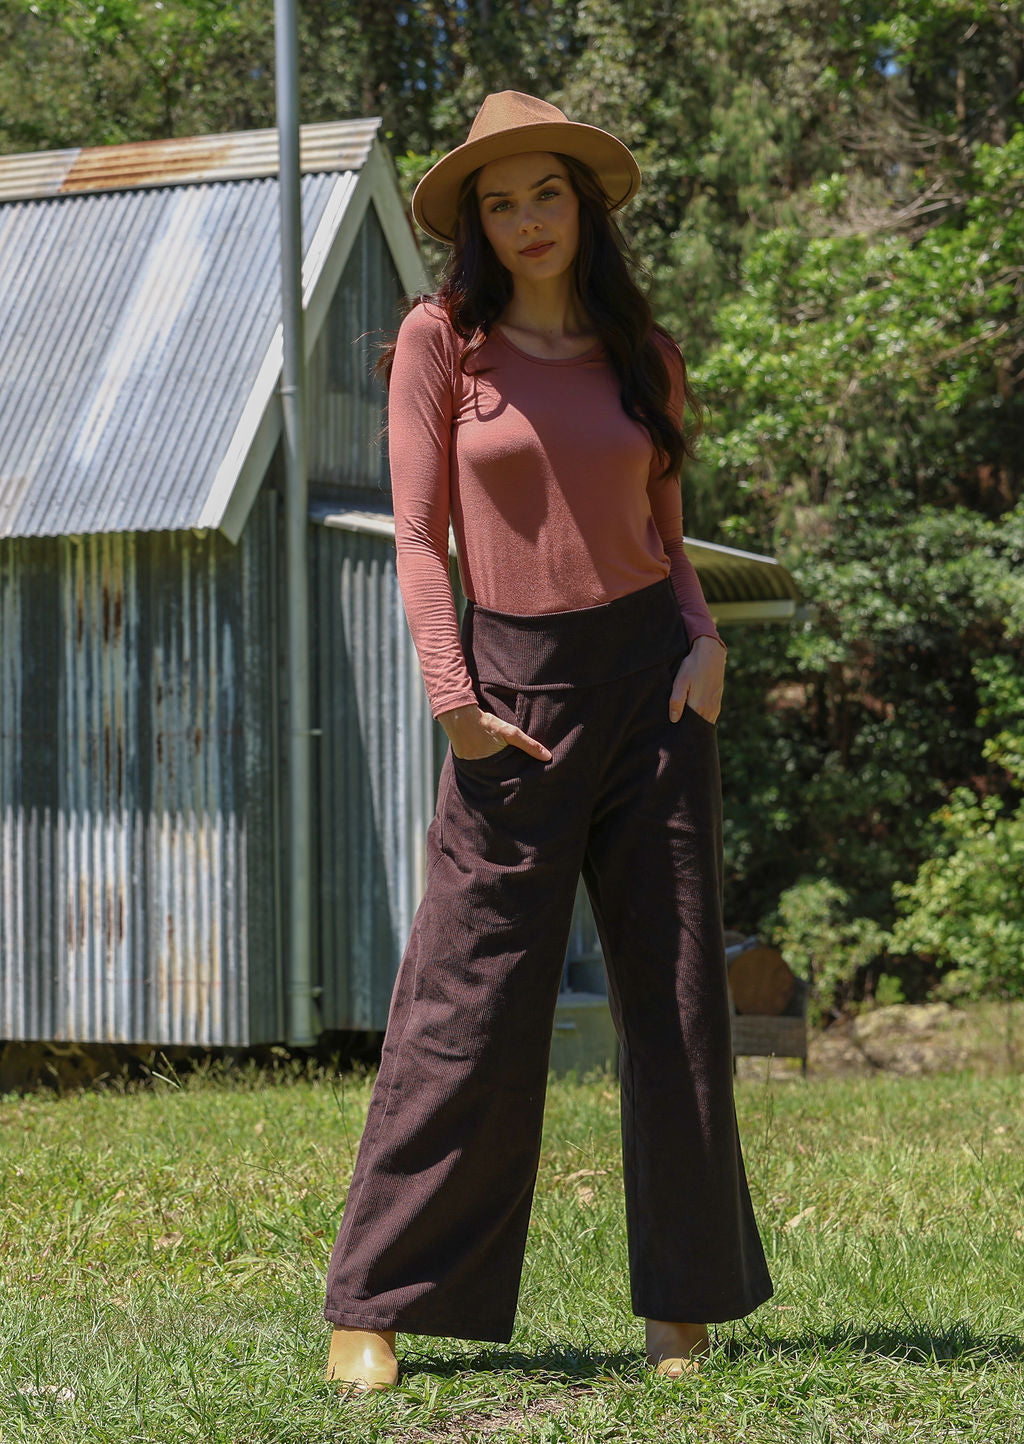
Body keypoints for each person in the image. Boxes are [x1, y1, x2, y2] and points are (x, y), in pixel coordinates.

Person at [322, 89, 774, 1393]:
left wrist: (705, 645)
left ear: (585, 205)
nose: (527, 220)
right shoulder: (440, 344)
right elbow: (418, 537)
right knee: (464, 999)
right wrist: (453, 696)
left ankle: (680, 1308)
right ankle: (380, 1299)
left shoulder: (648, 354)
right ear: (476, 221)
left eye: (548, 194)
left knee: (676, 996)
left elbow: (668, 526)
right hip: (509, 693)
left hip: (654, 686)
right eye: (500, 201)